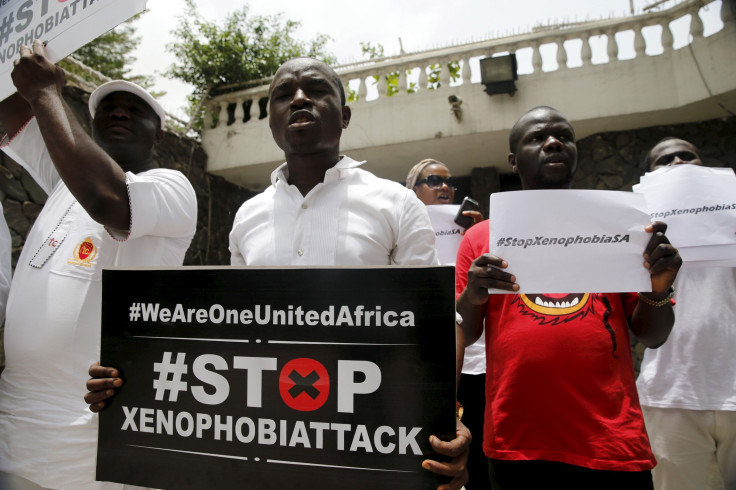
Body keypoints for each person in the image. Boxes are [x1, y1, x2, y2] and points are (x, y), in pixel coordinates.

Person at [87, 57, 469, 489]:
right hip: (267, 454)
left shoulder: (398, 205)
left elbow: (432, 332)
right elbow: (230, 336)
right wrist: (132, 375)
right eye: (284, 94)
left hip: (368, 450)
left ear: (344, 115)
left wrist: (446, 421)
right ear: (271, 122)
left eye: (316, 90)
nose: (300, 99)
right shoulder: (248, 216)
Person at [0, 39, 197, 490]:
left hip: (92, 449)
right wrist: (15, 45)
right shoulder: (62, 181)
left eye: (134, 109)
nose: (119, 112)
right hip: (16, 430)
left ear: (158, 134)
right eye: (107, 107)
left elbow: (108, 199)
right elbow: (10, 113)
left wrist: (47, 93)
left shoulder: (171, 187)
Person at [455, 106, 681, 489]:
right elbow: (468, 331)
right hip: (518, 442)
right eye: (536, 138)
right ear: (513, 160)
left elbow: (653, 335)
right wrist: (472, 296)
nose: (553, 142)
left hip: (611, 442)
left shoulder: (620, 228)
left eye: (564, 136)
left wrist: (657, 288)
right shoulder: (480, 239)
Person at [636, 137, 736, 490]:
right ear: (648, 179)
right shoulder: (634, 234)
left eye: (687, 156)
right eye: (665, 160)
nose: (678, 162)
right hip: (670, 394)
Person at [407, 158, 489, 489]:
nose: (444, 187)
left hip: (478, 362)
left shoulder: (473, 230)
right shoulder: (401, 233)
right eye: (432, 180)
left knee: (481, 455)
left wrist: (480, 235)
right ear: (410, 192)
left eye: (448, 182)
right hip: (429, 364)